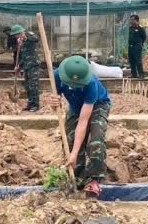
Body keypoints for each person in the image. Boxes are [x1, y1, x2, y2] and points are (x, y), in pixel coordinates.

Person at [47, 55, 111, 197]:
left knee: (95, 140)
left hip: (98, 105)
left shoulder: (91, 84)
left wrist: (75, 153)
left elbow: (83, 122)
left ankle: (94, 179)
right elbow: (56, 99)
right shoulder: (57, 76)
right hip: (75, 106)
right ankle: (78, 178)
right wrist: (54, 102)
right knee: (70, 141)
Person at [10, 24, 40, 112]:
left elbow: (36, 39)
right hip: (26, 66)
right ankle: (30, 104)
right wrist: (18, 66)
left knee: (33, 86)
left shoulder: (29, 35)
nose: (16, 37)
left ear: (20, 32)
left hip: (33, 65)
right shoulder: (21, 43)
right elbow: (23, 56)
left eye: (16, 35)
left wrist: (25, 38)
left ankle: (35, 105)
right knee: (27, 86)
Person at [128, 14, 147, 79]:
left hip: (137, 46)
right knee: (131, 60)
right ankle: (134, 74)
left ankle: (141, 74)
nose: (131, 21)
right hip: (130, 46)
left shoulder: (140, 29)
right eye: (130, 20)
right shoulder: (130, 28)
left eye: (132, 20)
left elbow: (144, 37)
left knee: (138, 60)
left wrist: (139, 43)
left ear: (136, 20)